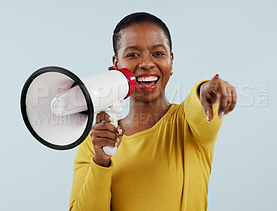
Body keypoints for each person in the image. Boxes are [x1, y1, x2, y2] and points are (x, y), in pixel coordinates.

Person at [69, 12, 237, 211]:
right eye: (132, 55)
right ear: (116, 65)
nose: (147, 63)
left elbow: (199, 108)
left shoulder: (188, 125)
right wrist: (101, 160)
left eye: (158, 53)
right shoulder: (94, 142)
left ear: (171, 61)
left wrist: (205, 90)